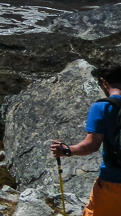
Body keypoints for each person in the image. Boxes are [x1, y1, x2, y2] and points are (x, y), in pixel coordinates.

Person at [51, 61, 121, 216]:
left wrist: (66, 150)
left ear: (103, 82)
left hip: (114, 181)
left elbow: (91, 145)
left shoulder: (102, 107)